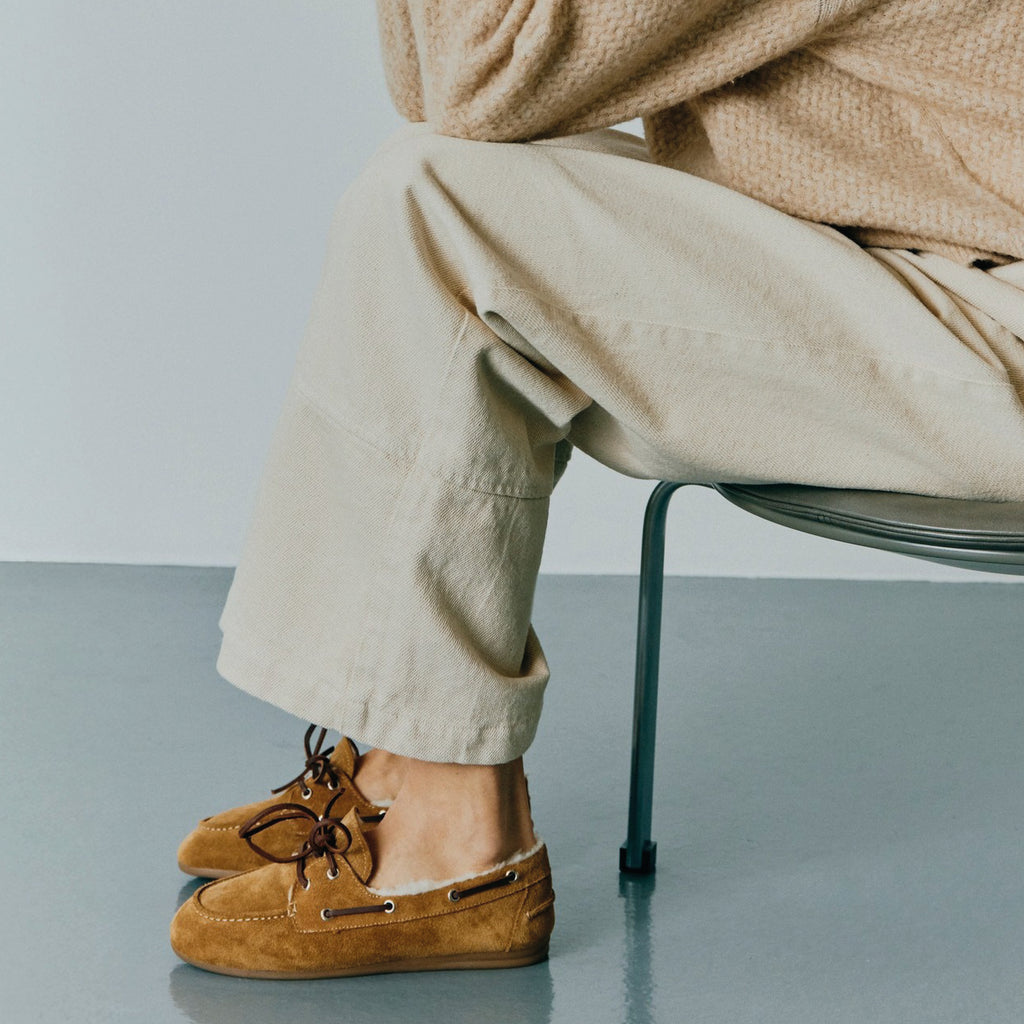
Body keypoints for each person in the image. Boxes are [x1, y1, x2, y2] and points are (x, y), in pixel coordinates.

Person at [170, 0, 1024, 978]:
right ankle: (409, 759)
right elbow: (443, 91)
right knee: (438, 182)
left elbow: (476, 75)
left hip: (990, 316)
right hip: (908, 260)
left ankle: (458, 843)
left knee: (448, 211)